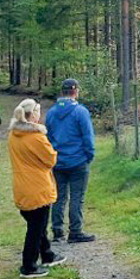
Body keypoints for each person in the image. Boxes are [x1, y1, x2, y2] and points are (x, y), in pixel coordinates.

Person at [8, 99, 67, 278]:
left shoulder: (13, 134)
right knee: (36, 227)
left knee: (37, 224)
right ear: (33, 115)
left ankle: (47, 253)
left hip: (22, 185)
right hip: (38, 186)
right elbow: (51, 159)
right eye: (38, 112)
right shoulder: (36, 137)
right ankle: (29, 264)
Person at [45, 78, 96, 244]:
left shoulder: (51, 112)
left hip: (57, 161)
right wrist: (89, 155)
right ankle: (75, 230)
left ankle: (58, 231)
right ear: (76, 91)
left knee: (58, 197)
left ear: (62, 91)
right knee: (77, 197)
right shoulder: (80, 112)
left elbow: (48, 137)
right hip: (78, 161)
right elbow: (88, 137)